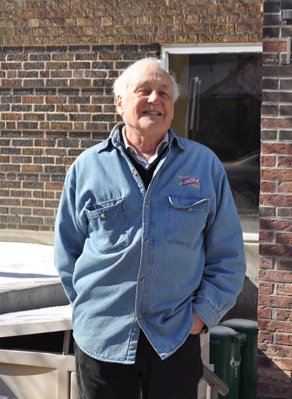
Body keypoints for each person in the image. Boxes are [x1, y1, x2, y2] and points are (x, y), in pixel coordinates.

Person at [53, 57, 246, 399]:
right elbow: (67, 253)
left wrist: (201, 316)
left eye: (165, 93)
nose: (155, 100)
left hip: (174, 338)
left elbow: (227, 257)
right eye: (144, 90)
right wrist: (91, 311)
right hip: (102, 340)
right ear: (120, 102)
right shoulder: (86, 169)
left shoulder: (204, 166)